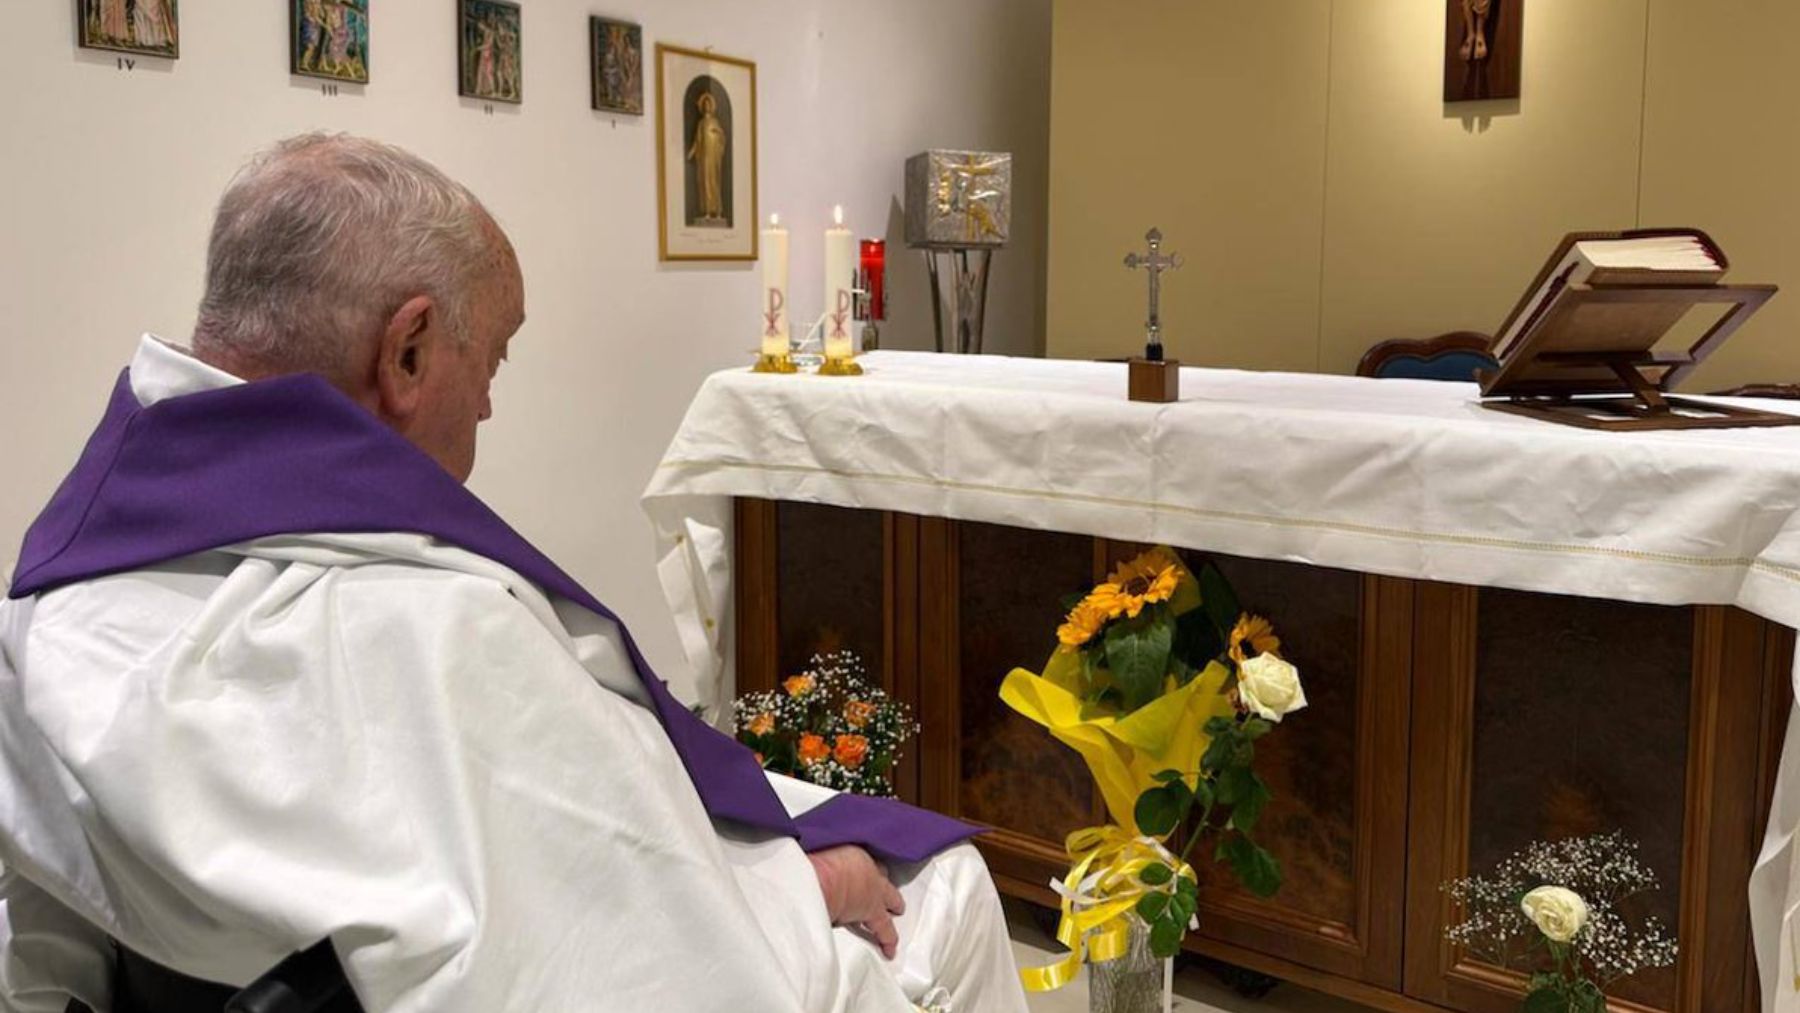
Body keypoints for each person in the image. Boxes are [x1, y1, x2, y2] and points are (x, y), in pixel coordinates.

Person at [0, 134, 1027, 1012]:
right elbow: (630, 944)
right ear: (405, 353)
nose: (488, 408)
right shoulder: (434, 628)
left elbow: (49, 921)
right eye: (490, 359)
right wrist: (807, 887)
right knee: (949, 885)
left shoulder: (64, 583)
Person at [688, 92, 728, 224]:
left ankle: (717, 211)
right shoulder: (701, 124)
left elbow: (722, 138)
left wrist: (717, 134)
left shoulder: (715, 122)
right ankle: (706, 211)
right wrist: (692, 152)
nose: (706, 106)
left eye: (708, 104)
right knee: (704, 182)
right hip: (704, 157)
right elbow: (697, 141)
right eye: (704, 104)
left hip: (713, 156)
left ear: (711, 106)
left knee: (714, 181)